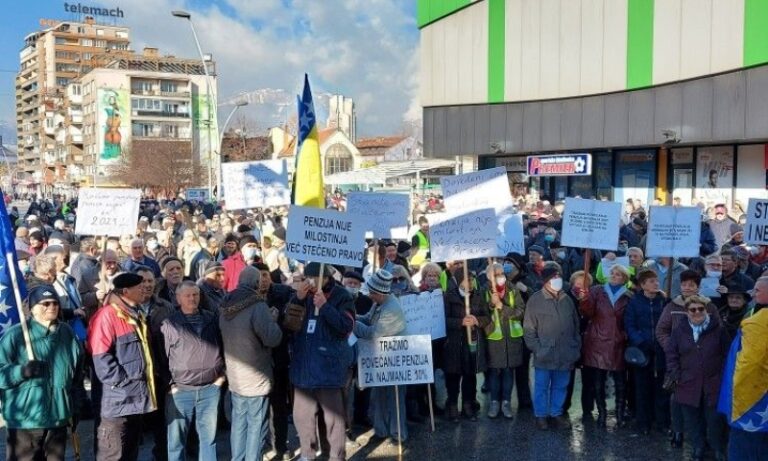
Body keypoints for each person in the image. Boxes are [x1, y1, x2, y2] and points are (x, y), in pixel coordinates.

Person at [0, 285, 84, 461]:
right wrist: (21, 371)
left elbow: (76, 375)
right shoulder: (15, 336)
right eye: (45, 303)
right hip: (25, 421)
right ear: (32, 308)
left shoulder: (67, 334)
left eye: (55, 303)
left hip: (58, 419)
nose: (51, 307)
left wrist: (76, 406)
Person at [283, 262, 354, 461]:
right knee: (303, 418)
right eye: (308, 278)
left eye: (315, 278)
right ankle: (307, 453)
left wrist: (325, 306)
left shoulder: (341, 296)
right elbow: (288, 325)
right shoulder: (300, 295)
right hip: (303, 368)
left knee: (334, 421)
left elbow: (346, 327)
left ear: (326, 277)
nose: (310, 282)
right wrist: (297, 300)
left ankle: (336, 456)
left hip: (328, 369)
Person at [88, 272, 158, 461]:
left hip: (136, 398)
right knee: (113, 454)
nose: (144, 288)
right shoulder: (107, 316)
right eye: (139, 286)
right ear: (126, 291)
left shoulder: (136, 314)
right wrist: (124, 384)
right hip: (117, 401)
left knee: (130, 453)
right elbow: (101, 359)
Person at [155, 281, 225, 461]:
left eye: (195, 295)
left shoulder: (212, 318)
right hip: (180, 391)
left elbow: (225, 347)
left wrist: (221, 378)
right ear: (178, 299)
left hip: (210, 388)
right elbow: (160, 358)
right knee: (176, 441)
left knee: (208, 440)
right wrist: (171, 385)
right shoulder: (169, 324)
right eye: (188, 295)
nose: (192, 298)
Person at [656, 269, 720, 448]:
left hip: (703, 361)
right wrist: (672, 348)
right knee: (676, 399)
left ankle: (703, 438)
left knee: (702, 400)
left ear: (698, 287)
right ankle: (677, 431)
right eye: (684, 284)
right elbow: (661, 330)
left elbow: (718, 331)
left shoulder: (709, 306)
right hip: (679, 360)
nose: (687, 288)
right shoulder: (672, 306)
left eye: (691, 285)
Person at [666, 295, 730, 461]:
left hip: (714, 383)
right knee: (693, 420)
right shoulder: (680, 330)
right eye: (692, 309)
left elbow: (727, 355)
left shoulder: (719, 329)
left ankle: (718, 449)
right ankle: (698, 447)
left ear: (706, 309)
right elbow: (672, 353)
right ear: (687, 312)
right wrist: (676, 374)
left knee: (715, 419)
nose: (697, 312)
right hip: (687, 382)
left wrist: (723, 377)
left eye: (700, 309)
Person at [353, 269, 408, 443]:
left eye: (372, 293)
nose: (369, 295)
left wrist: (351, 323)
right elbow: (368, 318)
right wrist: (352, 316)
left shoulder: (392, 309)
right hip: (382, 356)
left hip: (394, 357)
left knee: (395, 397)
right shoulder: (380, 302)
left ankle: (398, 433)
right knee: (379, 394)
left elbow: (373, 333)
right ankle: (381, 430)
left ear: (381, 293)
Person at [524, 265, 581, 430]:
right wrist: (538, 349)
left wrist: (575, 346)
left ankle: (556, 413)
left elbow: (575, 326)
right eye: (553, 277)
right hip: (545, 353)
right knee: (541, 386)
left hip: (565, 352)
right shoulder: (535, 300)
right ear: (546, 281)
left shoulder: (567, 299)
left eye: (559, 277)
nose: (557, 280)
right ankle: (540, 416)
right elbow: (528, 330)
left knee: (561, 385)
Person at [717, 304, 768, 460]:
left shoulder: (758, 322)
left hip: (749, 402)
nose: (753, 293)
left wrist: (736, 393)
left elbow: (750, 365)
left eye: (758, 290)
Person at [624, 270, 669, 434]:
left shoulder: (663, 301)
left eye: (656, 281)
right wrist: (641, 341)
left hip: (661, 351)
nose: (655, 284)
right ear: (642, 285)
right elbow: (630, 325)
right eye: (651, 281)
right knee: (642, 388)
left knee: (661, 388)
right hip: (642, 351)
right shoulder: (635, 302)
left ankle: (661, 421)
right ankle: (643, 422)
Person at [442, 267, 489, 422]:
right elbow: (443, 320)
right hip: (454, 344)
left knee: (470, 375)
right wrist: (460, 322)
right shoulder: (449, 297)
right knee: (453, 376)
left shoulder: (478, 296)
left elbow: (486, 317)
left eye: (472, 279)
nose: (471, 282)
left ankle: (468, 404)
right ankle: (453, 405)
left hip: (472, 341)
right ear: (459, 281)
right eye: (467, 279)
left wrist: (477, 320)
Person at [483, 262, 525, 419]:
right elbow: (481, 314)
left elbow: (521, 311)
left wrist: (502, 306)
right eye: (496, 275)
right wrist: (491, 304)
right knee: (494, 372)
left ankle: (506, 402)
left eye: (502, 274)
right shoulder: (484, 291)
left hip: (511, 339)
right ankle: (494, 402)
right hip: (493, 339)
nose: (500, 277)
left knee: (508, 372)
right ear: (489, 277)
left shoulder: (513, 289)